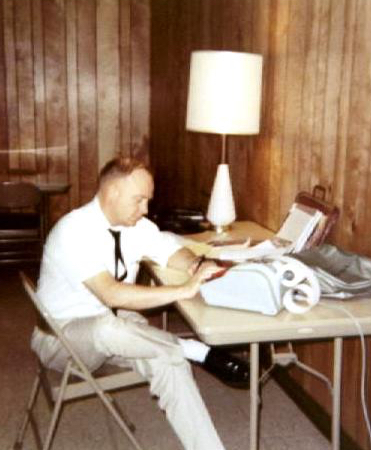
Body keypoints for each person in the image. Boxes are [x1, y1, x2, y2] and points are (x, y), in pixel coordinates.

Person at [31, 156, 249, 450]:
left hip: (121, 329)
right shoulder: (73, 231)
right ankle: (193, 349)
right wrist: (183, 290)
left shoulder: (138, 226)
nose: (145, 209)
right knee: (108, 326)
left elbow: (171, 251)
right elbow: (111, 294)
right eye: (139, 200)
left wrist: (197, 265)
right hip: (62, 339)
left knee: (169, 363)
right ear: (112, 193)